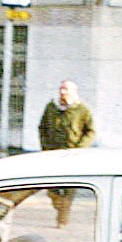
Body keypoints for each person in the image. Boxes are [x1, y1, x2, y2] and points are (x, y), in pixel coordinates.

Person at [38, 80, 95, 225]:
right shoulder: (51, 107)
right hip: (52, 154)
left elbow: (91, 131)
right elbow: (42, 127)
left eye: (66, 89)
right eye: (61, 89)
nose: (63, 92)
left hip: (73, 156)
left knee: (69, 189)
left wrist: (80, 149)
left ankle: (62, 220)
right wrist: (45, 146)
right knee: (52, 188)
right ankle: (59, 206)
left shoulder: (82, 109)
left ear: (74, 92)